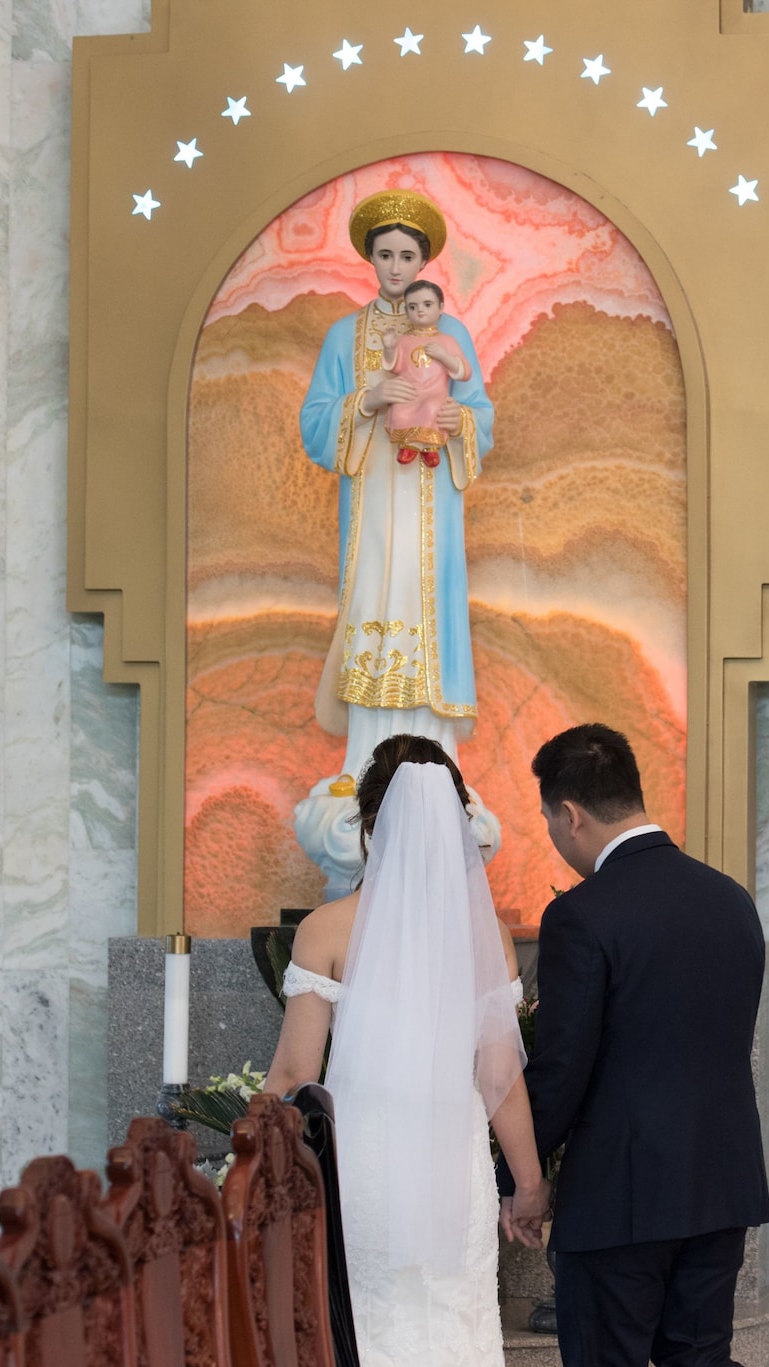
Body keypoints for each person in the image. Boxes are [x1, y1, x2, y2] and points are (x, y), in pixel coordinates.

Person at [265, 734, 550, 1367]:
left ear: (369, 825)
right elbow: (500, 1074)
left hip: (363, 1162)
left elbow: (294, 1071)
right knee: (452, 1312)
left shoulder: (327, 928)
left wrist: (248, 1165)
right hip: (454, 1159)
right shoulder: (489, 937)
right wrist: (529, 1183)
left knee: (367, 1318)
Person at [502, 724, 769, 1367]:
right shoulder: (732, 901)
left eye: (547, 820)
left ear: (569, 814)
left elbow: (564, 1066)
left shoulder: (581, 914)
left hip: (619, 1198)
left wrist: (522, 1175)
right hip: (719, 1184)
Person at [297, 191, 493, 787]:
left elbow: (479, 409)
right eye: (385, 254)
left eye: (408, 255)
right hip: (373, 507)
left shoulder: (451, 330)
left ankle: (436, 769)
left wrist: (463, 423)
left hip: (432, 503)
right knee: (374, 601)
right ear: (370, 258)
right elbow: (313, 421)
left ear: (424, 262)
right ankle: (364, 764)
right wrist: (367, 399)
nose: (396, 267)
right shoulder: (345, 336)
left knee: (424, 604)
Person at [381, 280, 470, 464]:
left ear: (441, 307)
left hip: (434, 393)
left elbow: (465, 373)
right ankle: (409, 445)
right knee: (399, 409)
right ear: (406, 311)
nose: (420, 310)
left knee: (432, 409)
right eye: (413, 307)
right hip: (410, 391)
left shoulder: (447, 341)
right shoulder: (404, 340)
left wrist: (444, 356)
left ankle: (430, 447)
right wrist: (389, 348)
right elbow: (395, 367)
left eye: (427, 305)